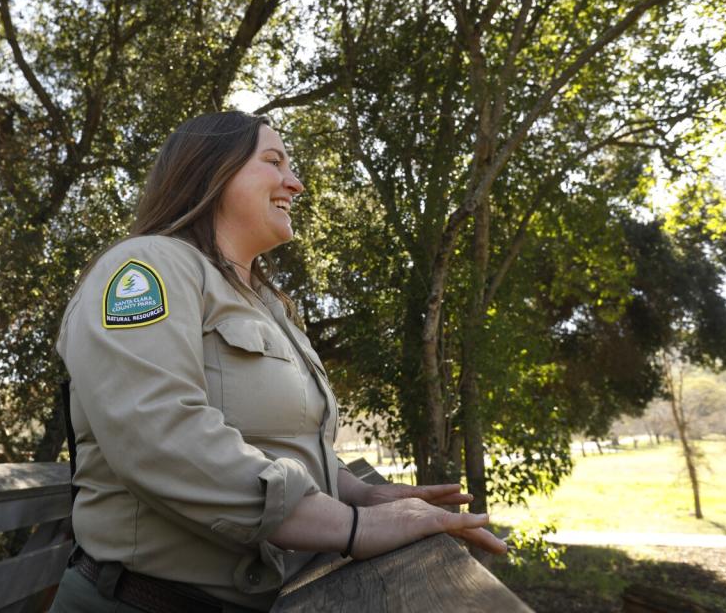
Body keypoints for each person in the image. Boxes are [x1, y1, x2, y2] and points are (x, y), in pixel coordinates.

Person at [51, 111, 507, 613]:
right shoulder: (146, 267)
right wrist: (351, 527)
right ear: (212, 172)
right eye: (274, 161)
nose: (297, 182)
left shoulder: (267, 305)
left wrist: (355, 493)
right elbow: (158, 433)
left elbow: (278, 433)